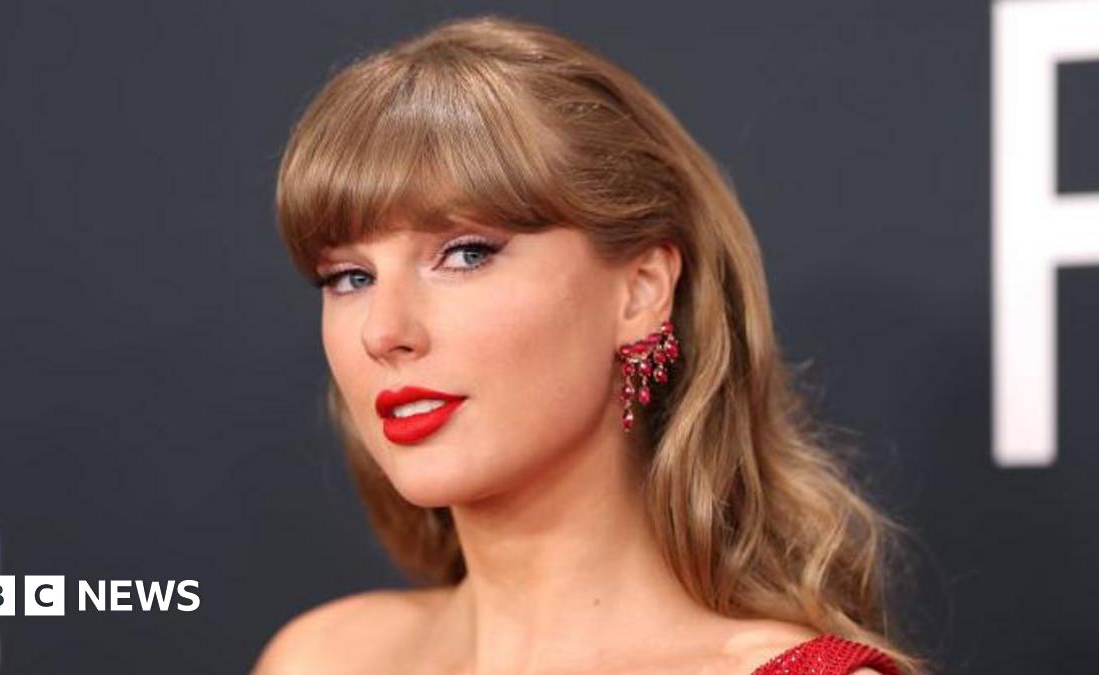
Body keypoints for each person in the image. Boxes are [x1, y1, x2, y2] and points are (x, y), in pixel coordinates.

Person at [253, 14, 926, 675]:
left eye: (465, 254)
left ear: (639, 291)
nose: (384, 331)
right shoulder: (320, 658)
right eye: (350, 277)